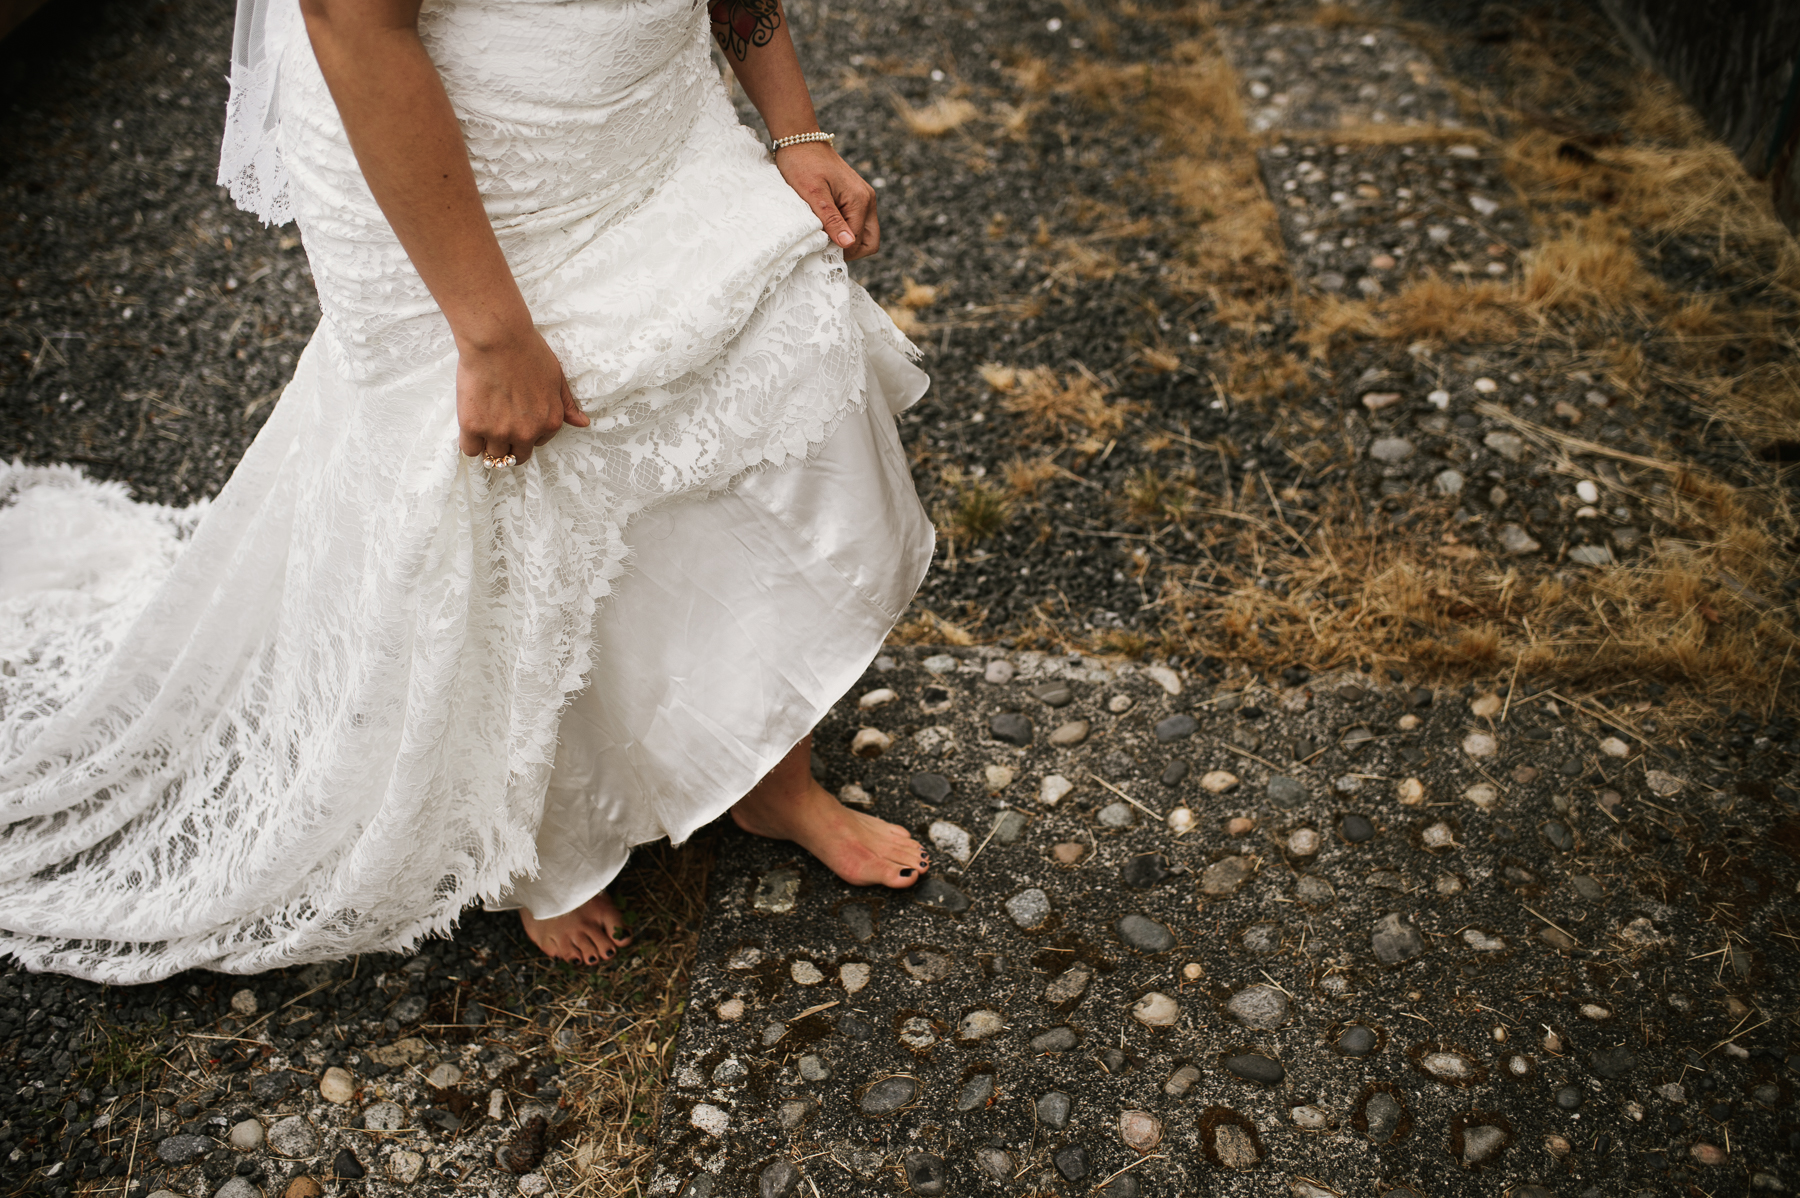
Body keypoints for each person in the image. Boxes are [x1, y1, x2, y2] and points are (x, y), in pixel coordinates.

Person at [0, 0, 934, 983]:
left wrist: (794, 127)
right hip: (472, 150)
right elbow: (353, 20)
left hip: (654, 110)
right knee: (510, 497)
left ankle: (770, 778)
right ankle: (540, 844)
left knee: (761, 396)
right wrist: (493, 334)